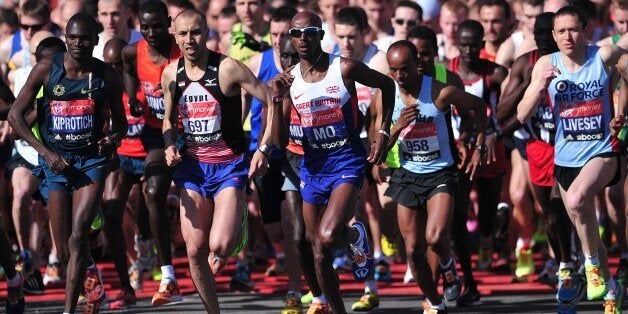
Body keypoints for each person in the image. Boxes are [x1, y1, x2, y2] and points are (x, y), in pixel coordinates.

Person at [161, 8, 284, 313]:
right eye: (184, 33)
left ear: (208, 33)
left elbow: (270, 98)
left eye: (197, 32)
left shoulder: (229, 68)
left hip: (229, 166)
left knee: (219, 246)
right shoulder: (169, 73)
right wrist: (168, 144)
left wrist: (263, 149)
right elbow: (167, 119)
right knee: (194, 250)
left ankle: (238, 217)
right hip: (192, 167)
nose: (190, 40)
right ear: (174, 36)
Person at [8, 12, 127, 314]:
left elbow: (121, 124)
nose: (77, 43)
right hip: (57, 163)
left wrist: (112, 139)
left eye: (84, 38)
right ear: (65, 39)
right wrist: (45, 152)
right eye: (72, 37)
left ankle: (68, 311)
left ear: (94, 41)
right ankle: (91, 278)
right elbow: (14, 117)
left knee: (77, 237)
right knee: (63, 251)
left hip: (91, 163)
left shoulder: (106, 76)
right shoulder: (47, 69)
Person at [277, 10, 395, 314]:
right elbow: (278, 142)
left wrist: (382, 131)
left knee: (328, 237)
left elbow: (388, 85)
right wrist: (276, 102)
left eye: (310, 32)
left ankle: (354, 234)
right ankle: (336, 309)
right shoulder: (289, 81)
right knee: (317, 252)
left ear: (321, 35)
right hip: (313, 168)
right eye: (296, 33)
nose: (303, 39)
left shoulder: (344, 68)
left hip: (346, 162)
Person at [517, 6, 628, 312]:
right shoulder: (545, 64)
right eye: (561, 31)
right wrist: (539, 86)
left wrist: (622, 115)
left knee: (578, 200)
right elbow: (521, 114)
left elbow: (626, 64)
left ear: (586, 30)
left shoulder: (603, 56)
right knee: (585, 225)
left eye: (574, 29)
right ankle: (612, 288)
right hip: (565, 159)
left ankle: (589, 266)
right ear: (554, 36)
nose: (568, 36)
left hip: (603, 150)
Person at [382, 39, 487, 314]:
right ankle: (435, 303)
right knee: (413, 251)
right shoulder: (388, 93)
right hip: (406, 175)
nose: (399, 76)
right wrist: (397, 128)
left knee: (435, 237)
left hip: (440, 172)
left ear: (417, 64)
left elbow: (479, 107)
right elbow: (379, 144)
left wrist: (478, 146)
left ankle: (448, 264)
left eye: (404, 69)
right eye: (393, 70)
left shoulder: (440, 92)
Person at [244, 6, 306, 311]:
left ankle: (297, 284)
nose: (282, 40)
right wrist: (251, 147)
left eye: (288, 34)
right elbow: (247, 103)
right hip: (266, 149)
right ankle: (287, 255)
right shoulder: (259, 63)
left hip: (296, 153)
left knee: (294, 220)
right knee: (273, 226)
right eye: (277, 34)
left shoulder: (308, 66)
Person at [121, 0, 183, 306]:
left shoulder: (182, 53)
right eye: (144, 27)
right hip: (154, 135)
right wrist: (133, 97)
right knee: (152, 189)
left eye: (157, 26)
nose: (150, 32)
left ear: (168, 22)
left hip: (188, 132)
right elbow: (128, 69)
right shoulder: (135, 50)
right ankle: (168, 274)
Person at [332, 6, 389, 311]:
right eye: (341, 36)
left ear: (364, 32)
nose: (347, 43)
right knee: (359, 207)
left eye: (352, 36)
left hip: (377, 138)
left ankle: (382, 253)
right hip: (349, 142)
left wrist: (383, 138)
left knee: (380, 208)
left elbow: (388, 100)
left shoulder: (378, 59)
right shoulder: (332, 58)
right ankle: (371, 270)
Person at [449, 19, 509, 272]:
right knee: (458, 204)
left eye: (474, 46)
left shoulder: (495, 72)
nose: (468, 51)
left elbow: (509, 103)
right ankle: (461, 251)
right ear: (456, 44)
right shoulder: (445, 71)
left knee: (487, 205)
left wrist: (498, 131)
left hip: (489, 146)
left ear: (482, 45)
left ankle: (486, 239)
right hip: (457, 146)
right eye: (463, 45)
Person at [101, 37, 145, 310]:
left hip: (151, 155)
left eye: (119, 64)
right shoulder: (103, 90)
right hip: (124, 158)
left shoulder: (143, 84)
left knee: (149, 199)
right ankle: (126, 287)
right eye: (110, 65)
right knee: (111, 217)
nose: (115, 70)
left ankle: (151, 246)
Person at [495, 0, 544, 67]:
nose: (534, 21)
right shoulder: (513, 43)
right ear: (521, 15)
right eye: (529, 17)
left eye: (538, 16)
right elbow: (497, 74)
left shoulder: (554, 37)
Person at [436, 0, 468, 65]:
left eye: (456, 24)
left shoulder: (471, 49)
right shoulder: (432, 43)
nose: (451, 30)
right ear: (440, 21)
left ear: (466, 22)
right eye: (447, 23)